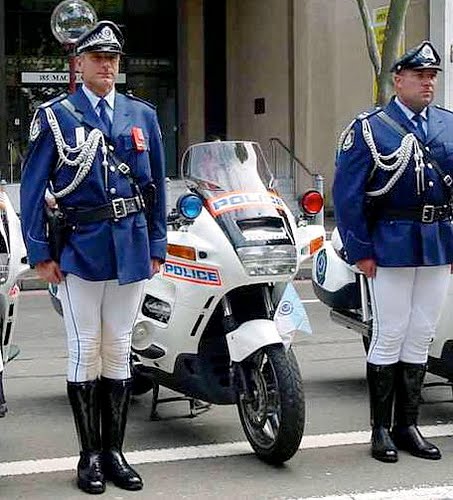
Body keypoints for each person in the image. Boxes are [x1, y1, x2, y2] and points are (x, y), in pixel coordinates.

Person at [20, 20, 167, 494]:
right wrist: (40, 251)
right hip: (81, 245)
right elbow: (32, 189)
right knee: (86, 348)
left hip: (131, 245)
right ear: (79, 63)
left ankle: (115, 453)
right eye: (98, 58)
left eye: (113, 58)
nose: (107, 66)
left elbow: (156, 186)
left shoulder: (140, 114)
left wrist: (158, 244)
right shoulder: (56, 116)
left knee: (119, 347)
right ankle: (89, 457)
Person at [333, 41, 453, 464]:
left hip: (437, 241)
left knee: (421, 333)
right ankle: (381, 429)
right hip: (391, 242)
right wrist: (360, 250)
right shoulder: (371, 128)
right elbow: (347, 196)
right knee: (390, 333)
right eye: (420, 75)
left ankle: (408, 425)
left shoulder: (447, 124)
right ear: (398, 80)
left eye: (432, 76)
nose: (428, 82)